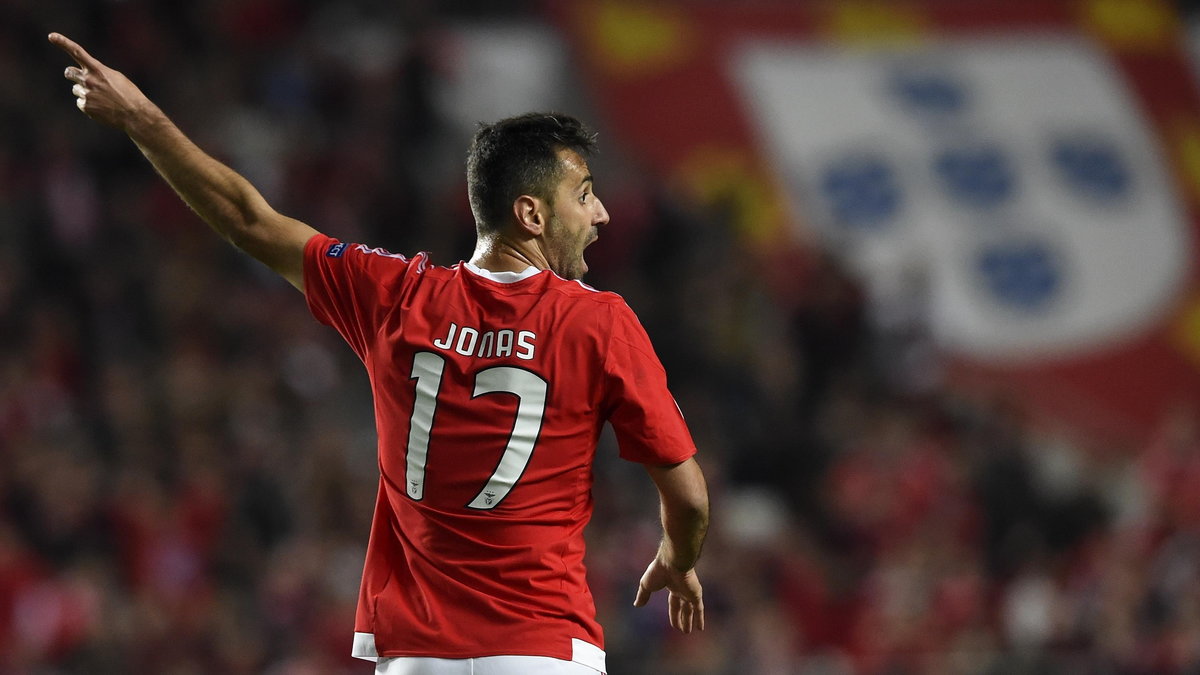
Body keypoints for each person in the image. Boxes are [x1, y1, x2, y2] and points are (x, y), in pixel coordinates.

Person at [50, 32, 709, 675]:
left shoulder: (395, 295)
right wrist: (678, 557)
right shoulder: (599, 321)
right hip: (545, 648)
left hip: (417, 656)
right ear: (531, 214)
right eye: (586, 195)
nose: (602, 216)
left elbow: (247, 217)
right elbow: (689, 500)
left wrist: (141, 118)